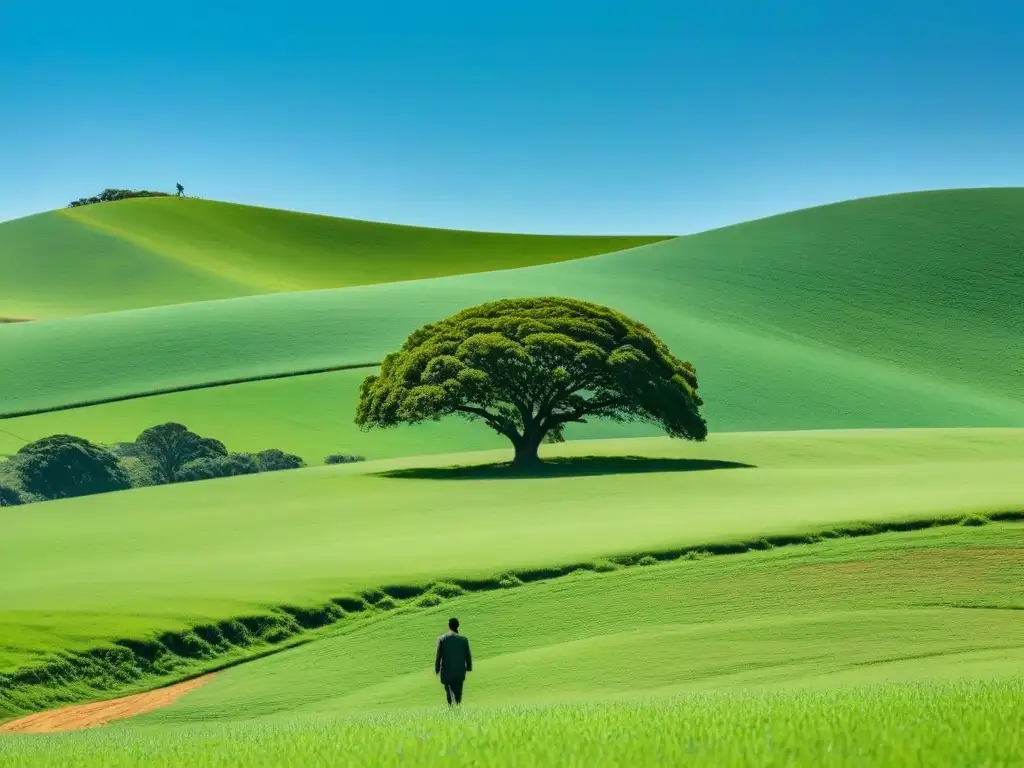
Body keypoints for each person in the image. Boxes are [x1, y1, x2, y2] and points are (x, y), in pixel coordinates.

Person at [435, 617, 472, 706]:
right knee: (458, 692)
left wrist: (437, 668)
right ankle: (457, 708)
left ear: (449, 626)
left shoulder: (442, 639)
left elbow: (438, 656)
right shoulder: (463, 640)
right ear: (458, 626)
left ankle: (451, 708)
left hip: (447, 672)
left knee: (449, 692)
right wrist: (469, 667)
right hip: (459, 671)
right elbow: (467, 655)